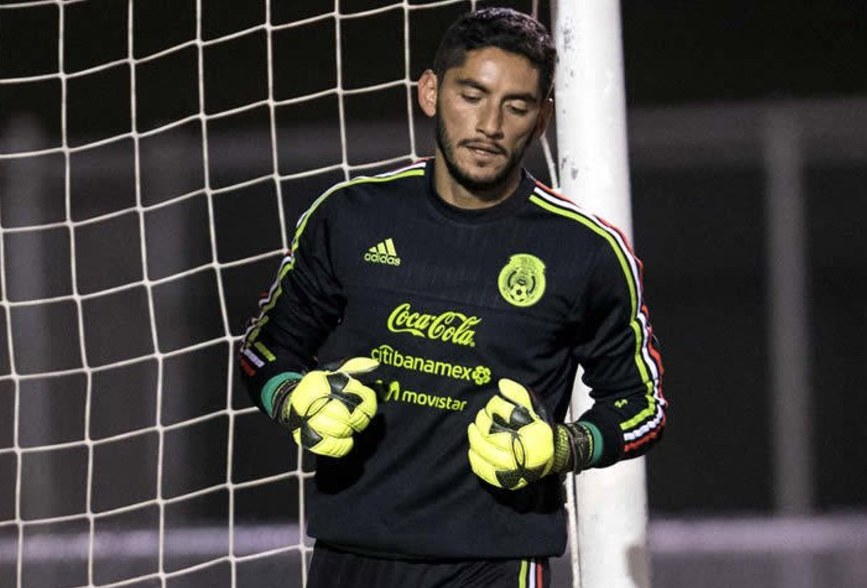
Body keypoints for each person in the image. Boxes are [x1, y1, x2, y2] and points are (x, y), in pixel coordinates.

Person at [238, 7, 666, 587]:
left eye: (515, 106)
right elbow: (265, 351)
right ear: (431, 92)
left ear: (541, 120)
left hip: (494, 565)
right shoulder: (349, 216)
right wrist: (293, 400)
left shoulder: (586, 252)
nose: (490, 123)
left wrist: (563, 448)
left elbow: (643, 406)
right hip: (350, 555)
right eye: (472, 94)